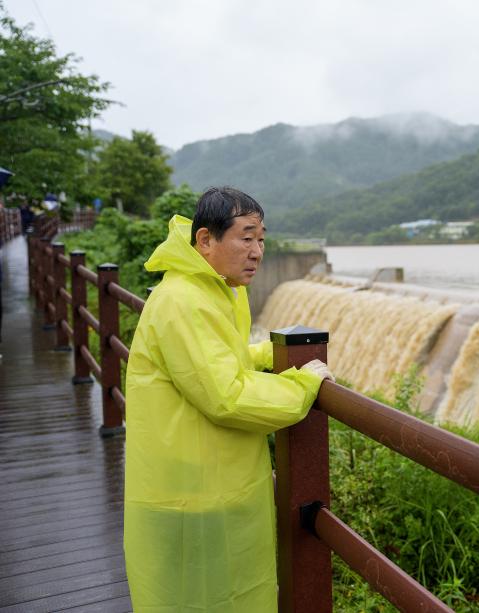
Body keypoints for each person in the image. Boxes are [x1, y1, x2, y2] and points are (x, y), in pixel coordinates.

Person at [124, 187, 332, 611]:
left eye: (262, 238)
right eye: (246, 237)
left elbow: (218, 358)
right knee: (202, 596)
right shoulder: (184, 300)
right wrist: (303, 384)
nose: (257, 251)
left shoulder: (212, 288)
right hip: (193, 490)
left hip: (205, 478)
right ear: (205, 240)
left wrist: (267, 355)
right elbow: (227, 395)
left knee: (220, 593)